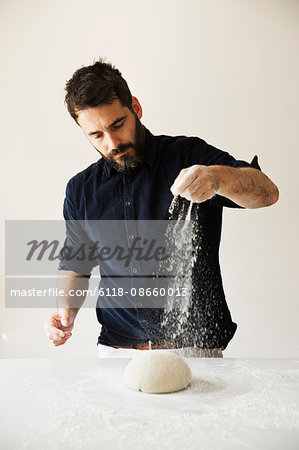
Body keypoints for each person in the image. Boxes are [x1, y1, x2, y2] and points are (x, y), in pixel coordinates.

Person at [44, 58, 279, 358]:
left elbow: (267, 193)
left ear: (136, 109)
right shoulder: (80, 190)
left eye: (118, 124)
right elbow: (75, 266)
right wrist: (65, 314)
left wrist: (218, 178)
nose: (112, 142)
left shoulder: (188, 156)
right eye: (97, 135)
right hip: (117, 353)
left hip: (194, 351)